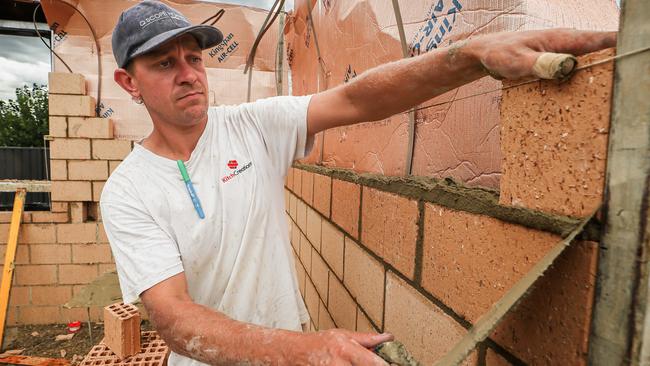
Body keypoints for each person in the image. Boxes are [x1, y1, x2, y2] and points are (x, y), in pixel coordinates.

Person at [100, 1, 616, 365]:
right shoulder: (129, 190)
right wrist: (313, 352)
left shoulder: (250, 127)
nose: (188, 73)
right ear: (128, 83)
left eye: (194, 58)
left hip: (292, 351)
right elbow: (176, 319)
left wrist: (470, 55)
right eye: (164, 64)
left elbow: (357, 99)